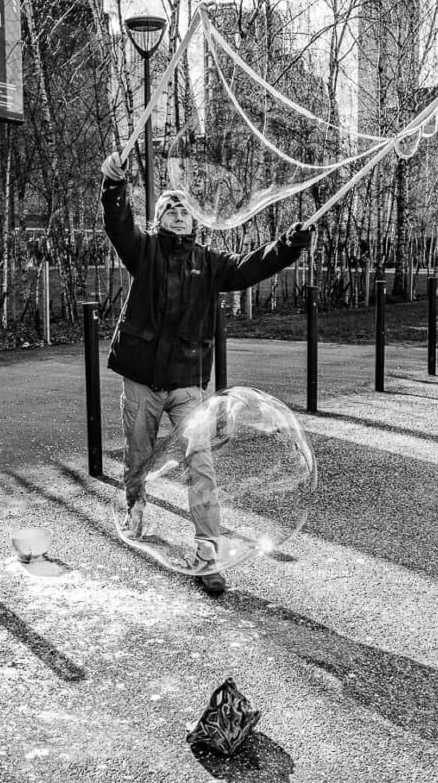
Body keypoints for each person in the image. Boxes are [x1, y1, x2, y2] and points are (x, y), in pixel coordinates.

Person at [100, 151, 313, 594]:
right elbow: (118, 225)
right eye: (170, 209)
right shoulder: (144, 252)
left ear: (194, 222)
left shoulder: (211, 263)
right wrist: (114, 187)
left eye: (184, 210)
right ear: (158, 220)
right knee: (139, 457)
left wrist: (289, 244)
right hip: (141, 378)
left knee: (201, 465)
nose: (179, 214)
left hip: (187, 384)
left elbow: (254, 265)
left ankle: (207, 553)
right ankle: (135, 506)